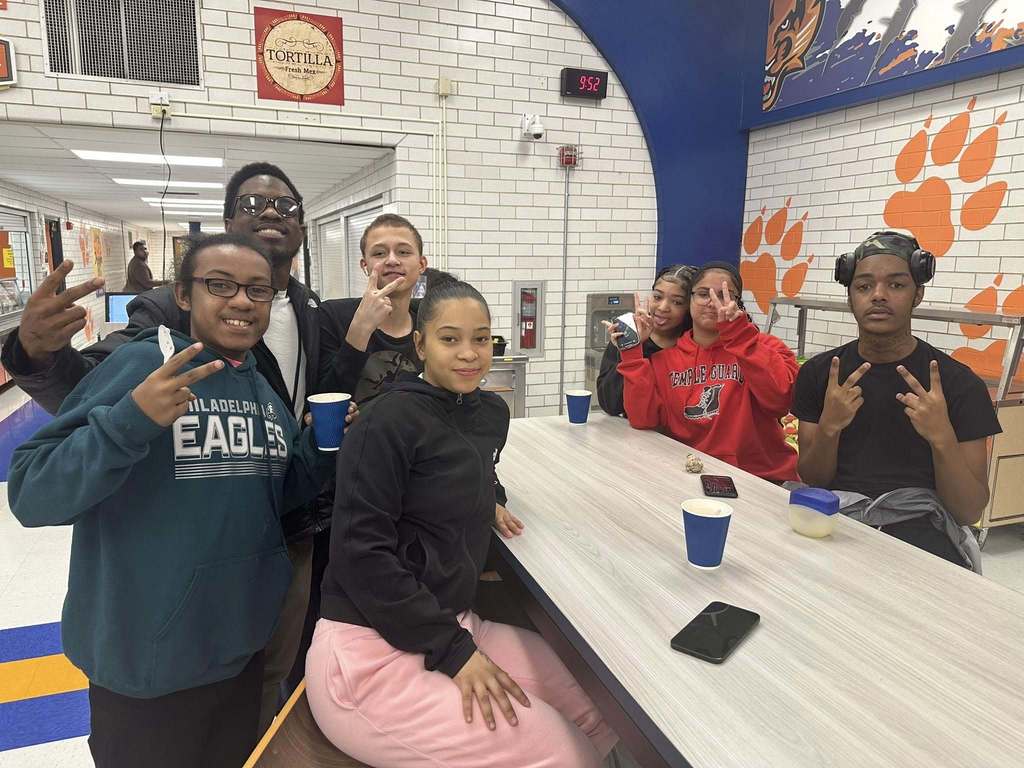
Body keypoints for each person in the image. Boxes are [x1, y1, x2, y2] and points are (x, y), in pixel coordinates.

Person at [0, 162, 333, 733]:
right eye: (220, 285)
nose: (242, 302)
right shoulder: (145, 361)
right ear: (182, 292)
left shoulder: (256, 380)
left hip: (239, 650)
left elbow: (278, 488)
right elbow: (33, 492)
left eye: (256, 290)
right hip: (146, 665)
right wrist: (128, 420)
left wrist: (325, 447)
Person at [306, 273, 616, 768]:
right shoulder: (386, 422)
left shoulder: (488, 413)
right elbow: (360, 554)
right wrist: (454, 652)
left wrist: (485, 498)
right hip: (368, 650)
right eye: (450, 339)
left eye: (480, 339)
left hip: (451, 620)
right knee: (563, 751)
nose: (469, 353)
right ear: (420, 345)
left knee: (596, 708)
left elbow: (470, 469)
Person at [792, 231, 1000, 567]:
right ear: (850, 296)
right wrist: (830, 427)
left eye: (896, 285)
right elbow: (814, 480)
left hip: (923, 534)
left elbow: (969, 509)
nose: (878, 296)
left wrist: (942, 438)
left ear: (918, 293)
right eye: (863, 286)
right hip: (835, 524)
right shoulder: (821, 374)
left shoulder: (960, 385)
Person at [618, 261, 799, 483]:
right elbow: (643, 419)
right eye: (703, 294)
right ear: (690, 301)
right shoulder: (663, 361)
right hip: (694, 476)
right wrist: (632, 350)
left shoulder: (768, 347)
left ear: (737, 303)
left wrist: (740, 337)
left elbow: (780, 400)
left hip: (764, 478)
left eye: (723, 295)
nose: (712, 303)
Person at [317, 213, 428, 403]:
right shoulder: (332, 316)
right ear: (365, 265)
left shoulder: (430, 322)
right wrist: (360, 330)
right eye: (379, 253)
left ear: (421, 264)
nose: (392, 260)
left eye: (403, 252)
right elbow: (324, 400)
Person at [597, 264, 694, 416]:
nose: (663, 307)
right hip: (636, 434)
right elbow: (610, 404)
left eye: (677, 302)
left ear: (690, 307)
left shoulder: (693, 344)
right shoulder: (626, 334)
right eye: (657, 297)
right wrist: (633, 348)